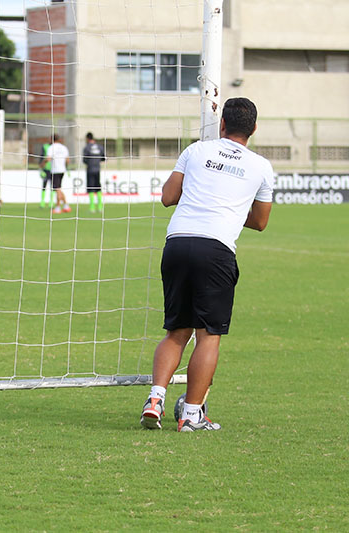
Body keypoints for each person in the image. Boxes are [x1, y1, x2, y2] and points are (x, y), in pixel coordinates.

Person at [139, 97, 273, 432]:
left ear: (222, 124)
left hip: (178, 243)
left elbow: (168, 197)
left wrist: (203, 195)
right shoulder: (261, 167)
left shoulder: (196, 151)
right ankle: (192, 414)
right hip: (215, 250)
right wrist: (227, 205)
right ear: (254, 129)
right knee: (208, 335)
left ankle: (155, 398)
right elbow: (260, 222)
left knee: (176, 331)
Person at [45, 134, 71, 214]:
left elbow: (48, 159)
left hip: (55, 170)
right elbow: (67, 160)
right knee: (58, 188)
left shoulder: (51, 147)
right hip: (62, 170)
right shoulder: (64, 147)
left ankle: (58, 207)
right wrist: (65, 167)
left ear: (51, 139)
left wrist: (42, 164)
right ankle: (66, 206)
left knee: (57, 189)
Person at [82, 132, 106, 213]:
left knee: (91, 188)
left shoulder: (87, 147)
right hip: (97, 169)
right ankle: (100, 207)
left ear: (87, 138)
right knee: (98, 188)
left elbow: (84, 160)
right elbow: (103, 158)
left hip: (90, 169)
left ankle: (92, 208)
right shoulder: (100, 147)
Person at [38, 140, 54, 208]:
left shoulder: (55, 147)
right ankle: (42, 202)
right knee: (44, 185)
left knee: (52, 187)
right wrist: (41, 168)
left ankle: (51, 202)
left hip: (53, 170)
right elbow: (42, 156)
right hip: (45, 169)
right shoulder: (45, 146)